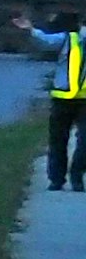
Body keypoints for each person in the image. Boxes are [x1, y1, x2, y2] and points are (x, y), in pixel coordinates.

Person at [48, 13, 86, 193]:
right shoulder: (68, 40)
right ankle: (57, 179)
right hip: (62, 98)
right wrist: (31, 31)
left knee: (83, 142)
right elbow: (46, 41)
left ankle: (76, 176)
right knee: (58, 141)